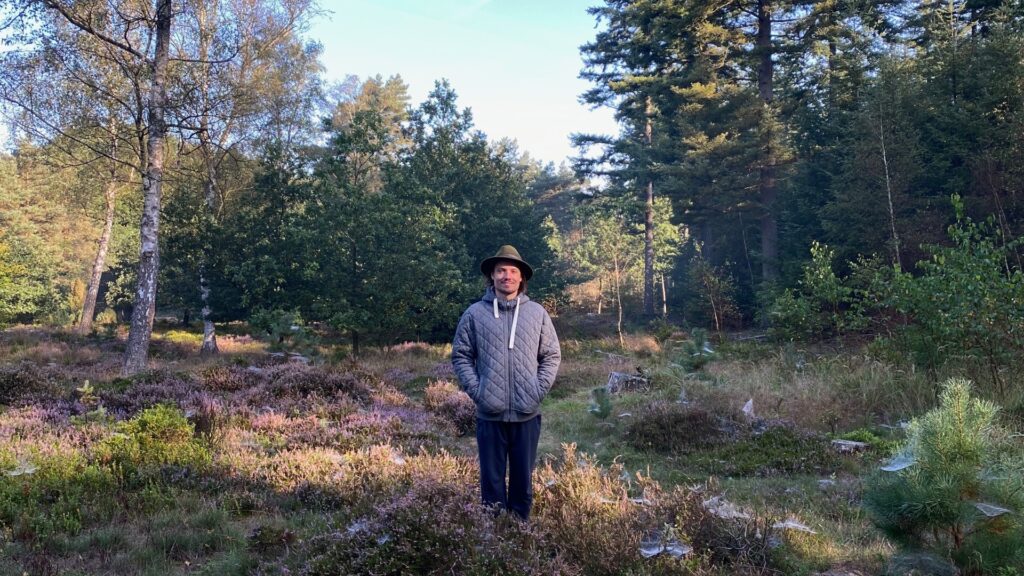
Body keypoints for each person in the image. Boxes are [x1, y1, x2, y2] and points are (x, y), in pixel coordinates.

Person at [451, 245, 561, 520]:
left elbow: (551, 355)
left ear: (521, 277)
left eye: (513, 271)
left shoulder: (537, 313)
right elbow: (461, 355)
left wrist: (537, 390)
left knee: (523, 481)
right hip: (490, 414)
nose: (507, 276)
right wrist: (479, 392)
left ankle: (520, 531)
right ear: (492, 275)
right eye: (501, 270)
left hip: (527, 413)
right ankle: (494, 533)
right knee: (491, 481)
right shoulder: (474, 314)